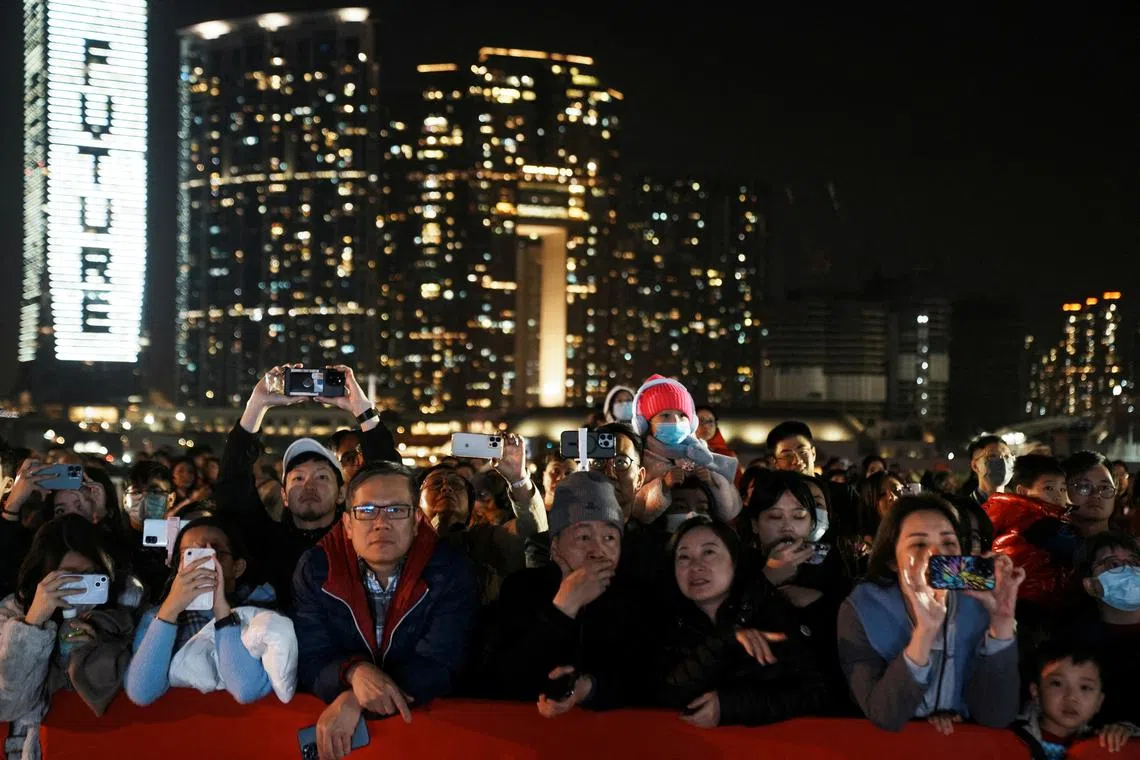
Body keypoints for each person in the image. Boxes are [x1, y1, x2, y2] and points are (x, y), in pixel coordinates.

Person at [292, 462, 477, 755]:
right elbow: (311, 655)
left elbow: (442, 663)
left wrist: (355, 698)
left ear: (416, 520)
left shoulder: (450, 571)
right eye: (366, 511)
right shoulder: (317, 569)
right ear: (348, 525)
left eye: (396, 510)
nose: (381, 522)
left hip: (427, 737)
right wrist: (353, 672)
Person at [213, 364, 400, 610]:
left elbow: (390, 483)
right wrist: (256, 405)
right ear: (284, 495)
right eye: (298, 478)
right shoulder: (265, 541)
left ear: (342, 493)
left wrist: (361, 409)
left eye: (322, 477)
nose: (308, 485)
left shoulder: (361, 543)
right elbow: (233, 487)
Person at [837, 494, 1024, 733]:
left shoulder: (981, 603)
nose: (936, 554)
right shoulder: (861, 609)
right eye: (919, 544)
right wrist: (924, 634)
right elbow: (885, 714)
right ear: (893, 560)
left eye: (948, 543)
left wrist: (1002, 623)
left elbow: (997, 716)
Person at [488, 470, 659, 713]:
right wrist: (563, 606)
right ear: (555, 545)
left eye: (610, 537)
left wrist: (588, 688)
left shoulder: (639, 596)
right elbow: (505, 675)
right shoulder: (522, 589)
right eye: (583, 536)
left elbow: (646, 678)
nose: (597, 550)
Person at [657, 517, 830, 727]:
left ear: (734, 561)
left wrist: (731, 706)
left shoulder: (772, 613)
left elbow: (813, 692)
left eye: (709, 552)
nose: (696, 566)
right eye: (683, 557)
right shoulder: (664, 623)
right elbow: (665, 694)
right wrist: (727, 638)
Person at [0, 517, 140, 760]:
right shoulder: (13, 614)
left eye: (89, 575)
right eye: (67, 577)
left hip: (114, 744)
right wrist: (34, 622)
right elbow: (9, 705)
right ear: (43, 575)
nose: (79, 586)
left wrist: (100, 643)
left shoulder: (129, 606)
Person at [125, 517, 296, 706]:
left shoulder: (262, 613)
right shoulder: (156, 618)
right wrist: (170, 610)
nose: (204, 562)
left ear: (237, 567)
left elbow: (247, 689)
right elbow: (141, 692)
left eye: (214, 553)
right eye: (191, 554)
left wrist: (222, 613)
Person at [738, 470, 851, 704]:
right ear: (755, 524)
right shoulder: (737, 574)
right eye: (774, 517)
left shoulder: (838, 576)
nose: (787, 527)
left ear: (811, 524)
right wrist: (766, 580)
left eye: (799, 517)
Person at [417, 435, 547, 605]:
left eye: (456, 484)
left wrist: (518, 479)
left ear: (470, 505)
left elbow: (531, 531)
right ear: (416, 501)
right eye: (435, 484)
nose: (446, 488)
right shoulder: (404, 546)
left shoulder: (485, 541)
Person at [630, 375, 740, 525]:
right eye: (665, 415)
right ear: (645, 423)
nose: (675, 421)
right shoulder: (638, 457)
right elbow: (635, 508)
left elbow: (729, 510)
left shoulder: (702, 454)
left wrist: (712, 481)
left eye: (682, 415)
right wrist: (663, 485)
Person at [983, 455, 1078, 612]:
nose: (1058, 495)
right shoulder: (1039, 523)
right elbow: (1076, 549)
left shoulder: (1007, 514)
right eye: (1049, 488)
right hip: (1030, 606)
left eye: (1062, 489)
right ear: (1022, 491)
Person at [1012, 639, 1136, 759]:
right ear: (1036, 691)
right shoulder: (1012, 736)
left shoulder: (1103, 741)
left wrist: (1124, 732)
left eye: (1085, 687)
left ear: (1099, 701)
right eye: (1057, 684)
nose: (1071, 697)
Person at [1067, 531, 1140, 728]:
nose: (1129, 570)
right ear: (1090, 584)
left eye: (1135, 563)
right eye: (1113, 564)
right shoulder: (1074, 648)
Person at [1064, 451, 1117, 539]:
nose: (1095, 494)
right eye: (1084, 487)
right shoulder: (1045, 547)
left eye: (1104, 488)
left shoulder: (1130, 549)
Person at [695, 406, 743, 485]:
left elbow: (737, 486)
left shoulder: (728, 456)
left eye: (710, 421)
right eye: (701, 421)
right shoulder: (683, 451)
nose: (706, 426)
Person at [966, 434, 1014, 506]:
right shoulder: (964, 509)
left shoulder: (1018, 507)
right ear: (975, 466)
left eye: (1007, 456)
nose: (1003, 462)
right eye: (993, 456)